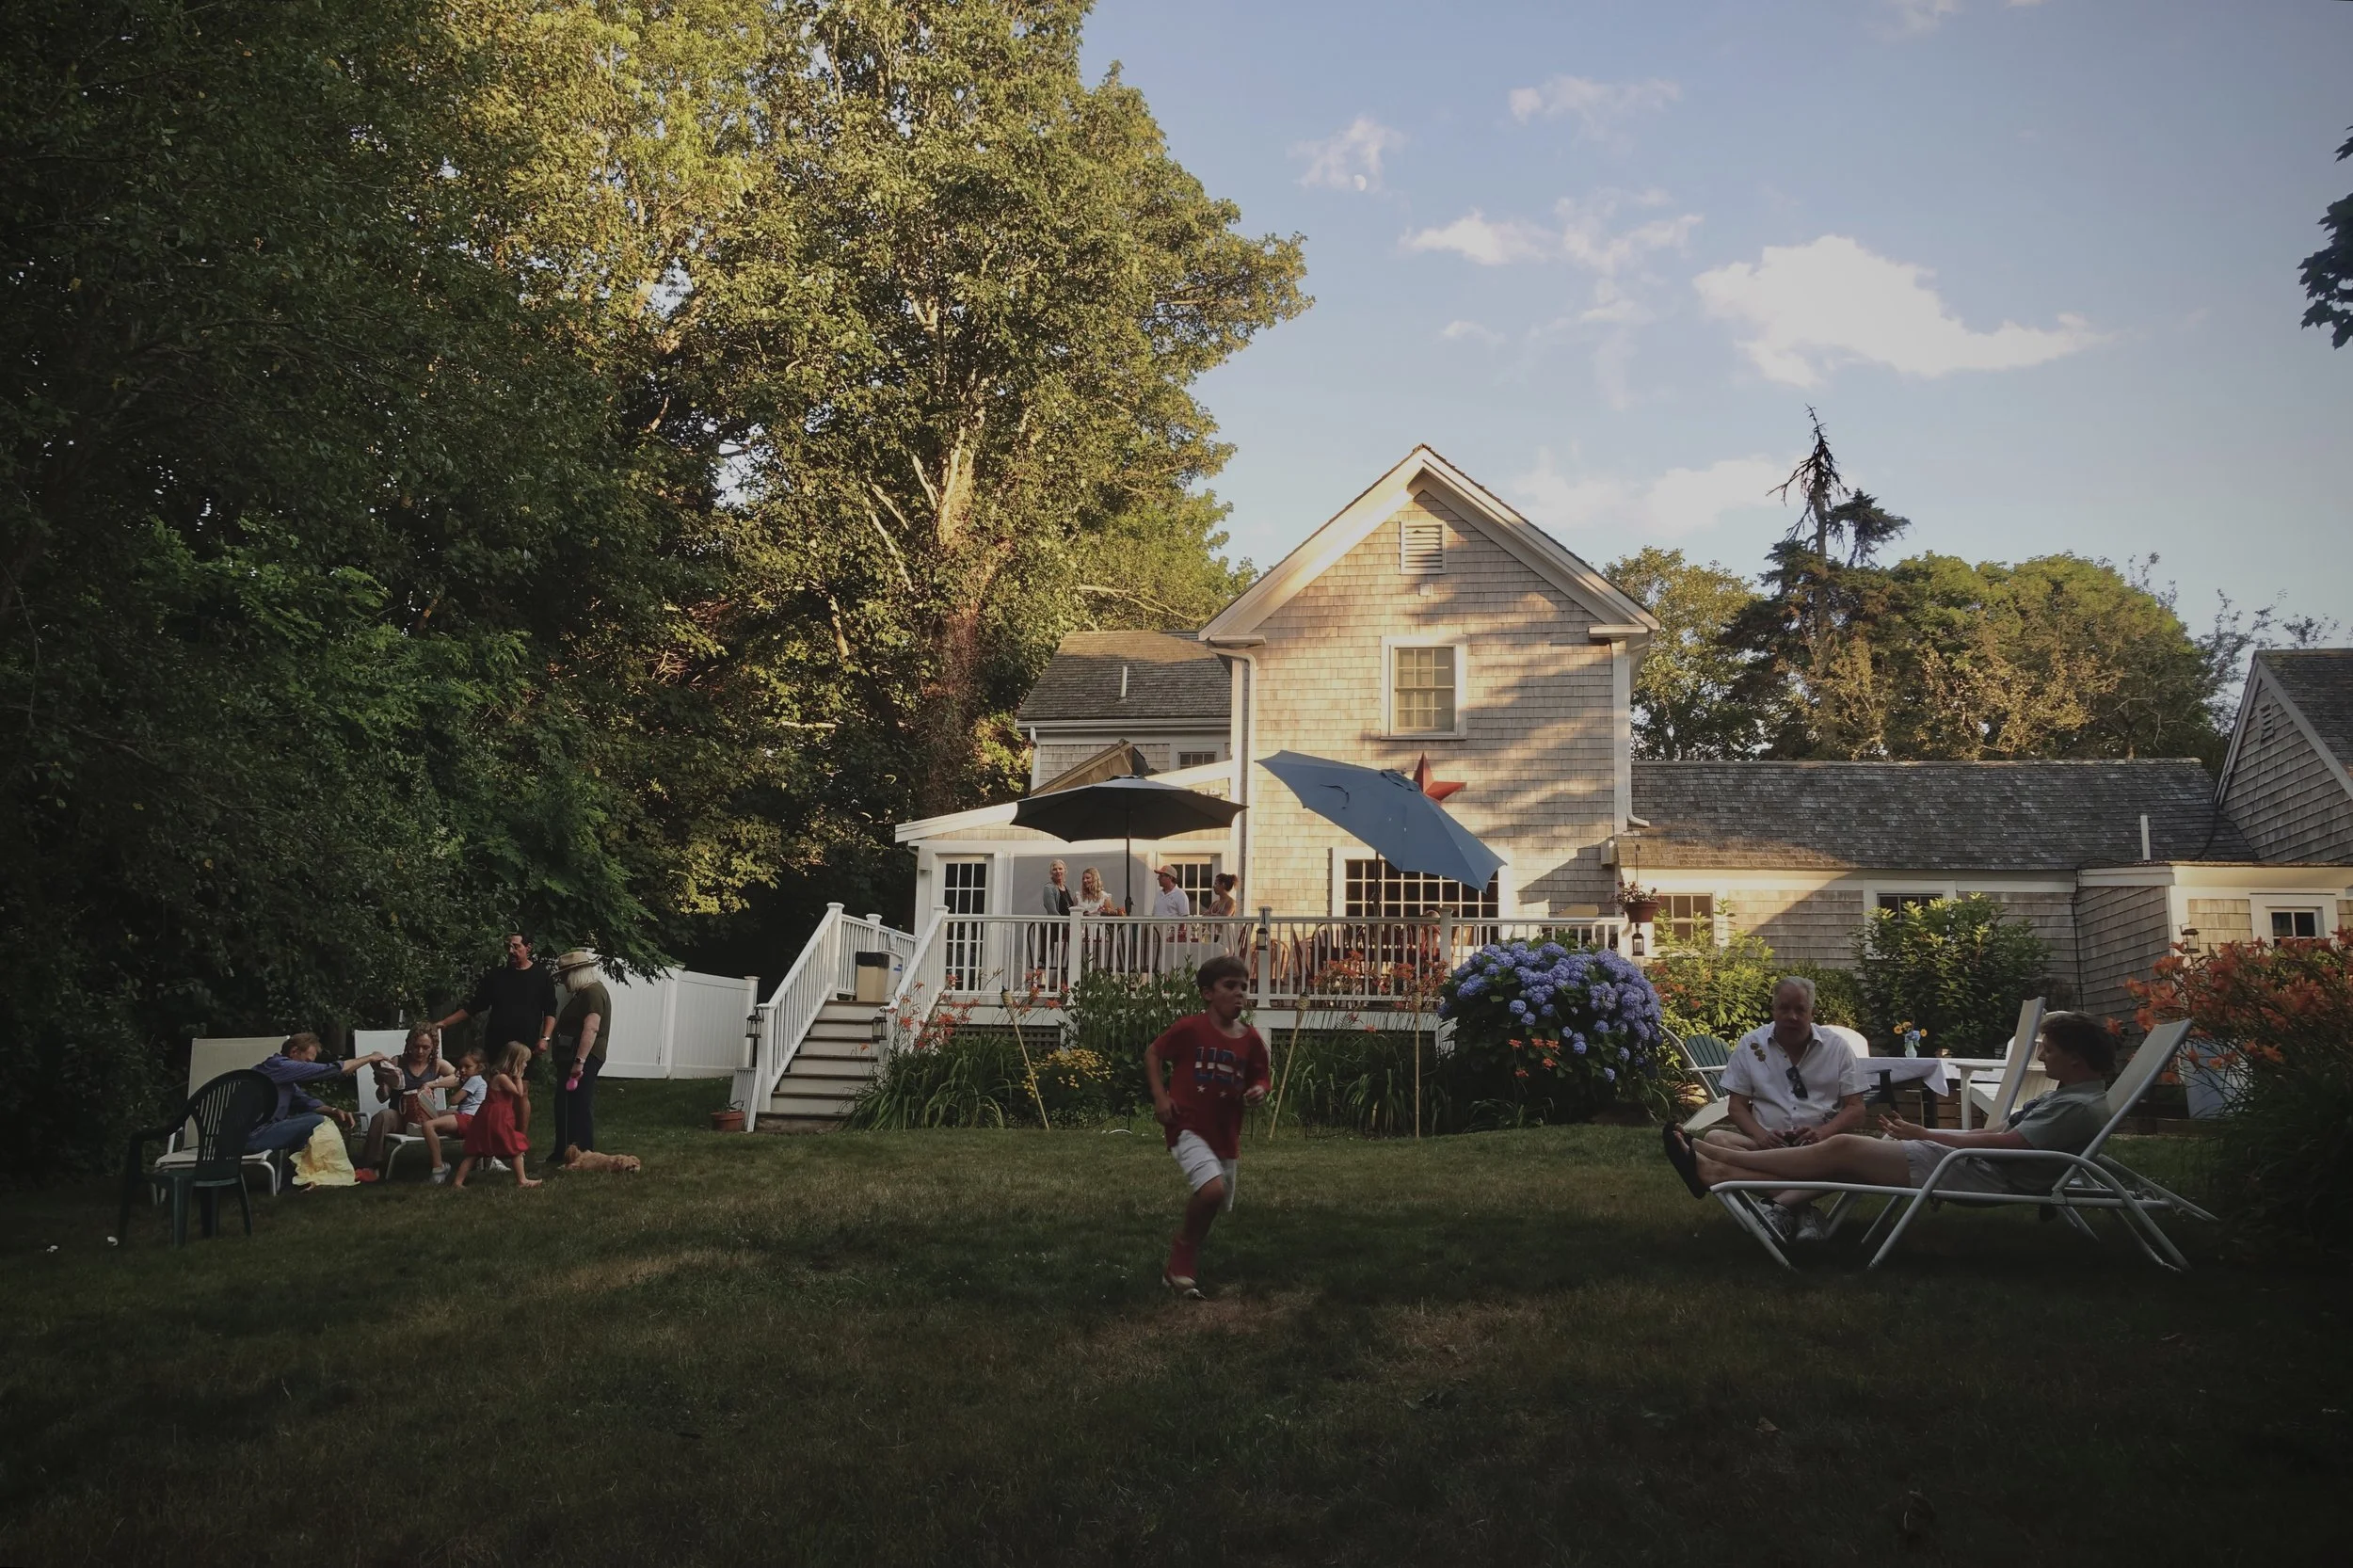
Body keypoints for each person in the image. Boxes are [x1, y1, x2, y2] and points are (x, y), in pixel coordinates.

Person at [1664, 1012, 2121, 1215]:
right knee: (1839, 1157)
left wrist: (1927, 1133)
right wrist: (1925, 1136)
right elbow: (2001, 1131)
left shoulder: (2077, 1107)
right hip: (1969, 1165)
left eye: (2051, 1050)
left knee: (1841, 1147)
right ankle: (1717, 1167)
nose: (2045, 1056)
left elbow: (2002, 1145)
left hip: (1977, 1174)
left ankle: (1716, 1164)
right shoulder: (2070, 1098)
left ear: (2077, 1060)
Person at [1699, 976, 1866, 1242]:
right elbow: (1737, 1107)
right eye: (1784, 1008)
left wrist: (1823, 1133)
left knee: (1857, 1153)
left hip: (1819, 1149)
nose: (1792, 1016)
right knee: (1715, 1139)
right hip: (1768, 1149)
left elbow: (1856, 1108)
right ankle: (1803, 1209)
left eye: (1800, 1009)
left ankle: (1778, 1208)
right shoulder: (1751, 1045)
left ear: (1812, 1012)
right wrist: (1762, 1137)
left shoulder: (1836, 1048)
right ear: (1773, 1010)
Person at [1144, 954, 1271, 1300]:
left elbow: (1261, 1073)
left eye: (1244, 987)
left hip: (1225, 1135)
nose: (1239, 993)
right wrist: (1160, 1097)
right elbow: (1153, 1053)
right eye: (1229, 986)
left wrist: (1260, 1089)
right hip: (1187, 1126)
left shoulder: (1250, 1039)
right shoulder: (1190, 1029)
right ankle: (1182, 1255)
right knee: (1211, 1191)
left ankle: (1178, 1266)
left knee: (1215, 1203)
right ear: (1207, 993)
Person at [249, 1033, 391, 1173]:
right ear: (294, 1051)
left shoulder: (284, 1080)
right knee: (316, 1121)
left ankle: (297, 1174)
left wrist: (335, 1111)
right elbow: (330, 1069)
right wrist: (370, 1057)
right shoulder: (279, 1065)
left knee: (311, 1118)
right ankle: (299, 1174)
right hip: (250, 1136)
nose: (309, 1066)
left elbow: (307, 1102)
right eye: (308, 1062)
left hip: (259, 1132)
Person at [431, 932, 558, 1066]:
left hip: (526, 1043)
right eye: (508, 947)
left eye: (516, 946)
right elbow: (475, 1006)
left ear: (528, 948)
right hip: (497, 1042)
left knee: (521, 1084)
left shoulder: (542, 976)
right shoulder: (496, 976)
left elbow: (550, 1010)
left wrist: (545, 1038)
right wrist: (445, 1022)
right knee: (494, 1082)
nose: (511, 951)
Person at [361, 1027, 460, 1183]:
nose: (420, 1051)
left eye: (425, 1047)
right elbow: (382, 1097)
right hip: (400, 1117)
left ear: (433, 1047)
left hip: (428, 1119)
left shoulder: (437, 1064)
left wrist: (431, 1084)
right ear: (409, 1045)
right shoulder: (397, 1062)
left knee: (457, 1117)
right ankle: (370, 1167)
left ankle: (478, 1156)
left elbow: (458, 1077)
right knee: (382, 1117)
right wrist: (383, 1083)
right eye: (416, 1046)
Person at [550, 950, 611, 1164]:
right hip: (572, 1058)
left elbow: (591, 1028)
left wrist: (579, 1061)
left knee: (579, 1105)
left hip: (583, 1058)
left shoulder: (593, 993)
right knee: (565, 1105)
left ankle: (583, 1155)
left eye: (565, 976)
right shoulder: (583, 993)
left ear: (576, 974)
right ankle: (564, 1153)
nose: (563, 981)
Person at [452, 1042, 538, 1189]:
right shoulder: (502, 1077)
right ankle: (522, 1181)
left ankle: (458, 1182)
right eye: (524, 1062)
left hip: (492, 1115)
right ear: (515, 1062)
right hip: (496, 1117)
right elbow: (519, 1093)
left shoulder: (501, 1076)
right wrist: (518, 1077)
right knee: (515, 1146)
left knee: (476, 1150)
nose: (525, 1065)